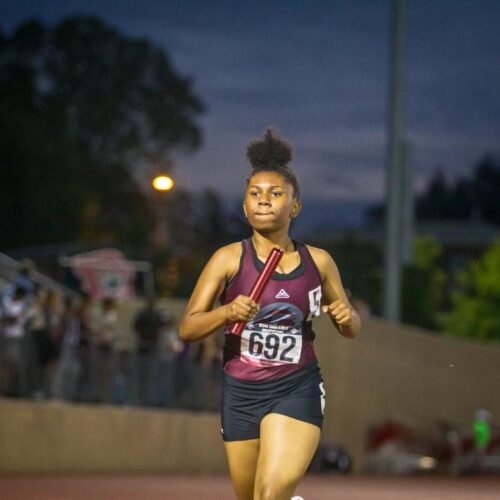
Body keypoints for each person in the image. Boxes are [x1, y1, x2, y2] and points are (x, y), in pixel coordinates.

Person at [179, 128, 361, 500]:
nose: (264, 201)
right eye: (255, 194)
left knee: (271, 492)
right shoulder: (228, 258)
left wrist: (346, 316)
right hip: (241, 392)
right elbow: (188, 327)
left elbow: (351, 328)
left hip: (296, 386)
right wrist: (228, 310)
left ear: (295, 206)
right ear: (245, 207)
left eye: (276, 194)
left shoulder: (319, 262)